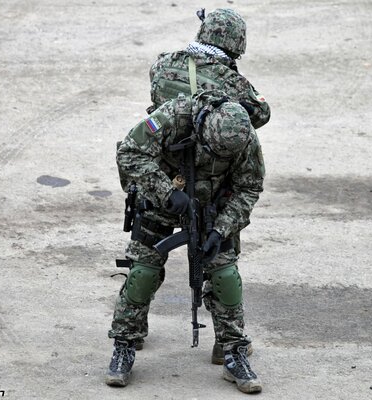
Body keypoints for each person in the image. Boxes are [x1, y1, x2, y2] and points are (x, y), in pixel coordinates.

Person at [105, 90, 265, 394]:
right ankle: (125, 344)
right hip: (160, 201)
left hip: (212, 210)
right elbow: (129, 152)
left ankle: (233, 350)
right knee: (143, 272)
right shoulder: (175, 115)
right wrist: (166, 192)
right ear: (204, 126)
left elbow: (249, 188)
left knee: (225, 276)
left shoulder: (244, 138)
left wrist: (221, 229)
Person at [147, 7, 270, 364]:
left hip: (165, 178)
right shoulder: (231, 82)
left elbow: (155, 102)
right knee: (222, 264)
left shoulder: (163, 64)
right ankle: (228, 345)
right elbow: (259, 114)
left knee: (145, 258)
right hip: (213, 183)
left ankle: (130, 333)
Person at [149, 8, 270, 130]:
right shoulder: (230, 81)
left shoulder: (163, 62)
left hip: (161, 142)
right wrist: (235, 73)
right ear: (237, 44)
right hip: (203, 147)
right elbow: (262, 114)